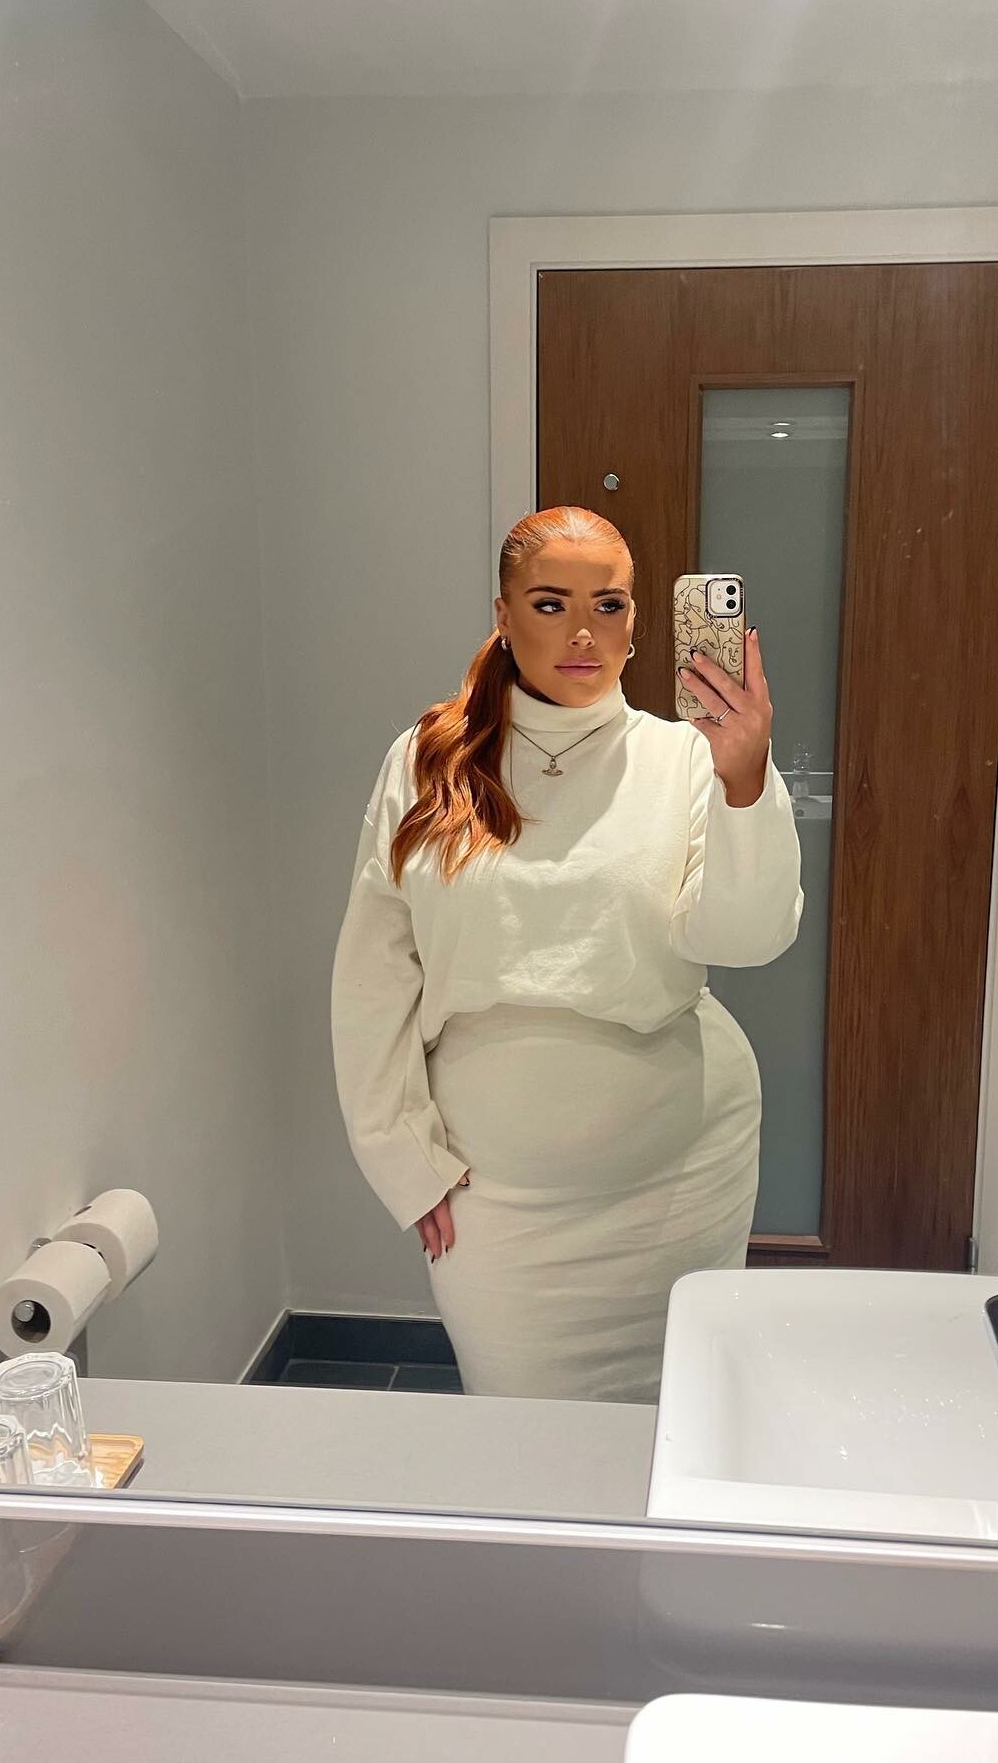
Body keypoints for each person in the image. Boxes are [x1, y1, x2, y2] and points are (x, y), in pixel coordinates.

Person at [330, 506, 803, 1402]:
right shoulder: (429, 761)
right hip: (498, 1199)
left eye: (609, 605)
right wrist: (400, 1156)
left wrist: (744, 779)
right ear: (504, 616)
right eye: (551, 604)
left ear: (636, 620)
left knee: (673, 1427)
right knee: (523, 1436)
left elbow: (747, 938)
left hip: (680, 1182)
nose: (584, 632)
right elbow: (375, 972)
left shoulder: (683, 758)